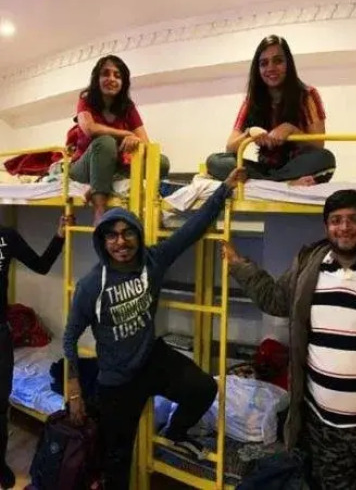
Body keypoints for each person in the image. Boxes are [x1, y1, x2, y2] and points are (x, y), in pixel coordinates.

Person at [221, 189, 356, 490]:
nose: (344, 227)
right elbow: (275, 300)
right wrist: (238, 265)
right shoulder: (307, 267)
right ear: (326, 227)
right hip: (323, 426)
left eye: (353, 219)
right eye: (336, 220)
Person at [62, 168, 247, 490]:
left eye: (127, 233)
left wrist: (224, 189)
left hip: (152, 359)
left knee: (204, 388)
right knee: (116, 463)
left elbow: (192, 229)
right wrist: (75, 391)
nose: (121, 242)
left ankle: (175, 431)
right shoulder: (91, 285)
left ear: (137, 234)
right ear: (103, 242)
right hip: (116, 380)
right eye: (112, 235)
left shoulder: (153, 261)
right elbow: (69, 337)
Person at [0, 214, 73, 489]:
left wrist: (60, 236)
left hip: (0, 333)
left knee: (0, 403)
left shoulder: (7, 236)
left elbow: (41, 266)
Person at [206, 35, 337, 186]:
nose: (270, 68)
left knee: (325, 158)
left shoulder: (307, 95)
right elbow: (230, 147)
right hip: (264, 170)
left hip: (296, 166)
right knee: (215, 161)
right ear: (258, 69)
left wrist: (291, 130)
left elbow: (318, 145)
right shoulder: (251, 101)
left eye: (278, 61)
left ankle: (268, 183)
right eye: (264, 63)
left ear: (288, 64)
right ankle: (281, 183)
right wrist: (249, 133)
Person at [69, 55, 171, 224]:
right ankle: (99, 211)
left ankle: (100, 182)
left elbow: (146, 143)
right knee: (105, 142)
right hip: (84, 166)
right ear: (97, 78)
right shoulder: (86, 99)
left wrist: (136, 141)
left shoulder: (128, 107)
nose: (112, 79)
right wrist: (125, 134)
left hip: (114, 165)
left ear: (123, 82)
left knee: (160, 161)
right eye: (106, 74)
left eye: (117, 76)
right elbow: (90, 128)